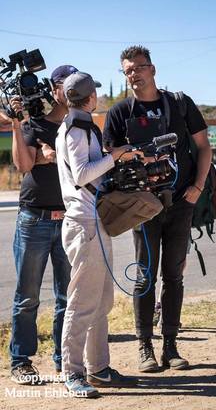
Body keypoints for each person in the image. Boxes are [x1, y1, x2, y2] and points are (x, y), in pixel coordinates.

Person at [103, 45, 212, 372]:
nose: (134, 75)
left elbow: (204, 147)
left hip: (180, 202)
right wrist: (136, 154)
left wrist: (196, 188)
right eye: (128, 71)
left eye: (138, 68)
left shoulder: (180, 104)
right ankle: (144, 349)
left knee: (174, 277)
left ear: (152, 69)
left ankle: (171, 347)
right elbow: (109, 152)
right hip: (142, 205)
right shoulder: (120, 112)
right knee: (145, 278)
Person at [56, 71, 138, 397]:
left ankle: (99, 368)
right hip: (83, 224)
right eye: (96, 95)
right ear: (90, 99)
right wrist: (115, 156)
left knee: (101, 301)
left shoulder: (84, 126)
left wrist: (117, 159)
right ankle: (73, 372)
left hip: (95, 221)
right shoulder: (77, 131)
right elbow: (81, 174)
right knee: (82, 302)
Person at [8, 65, 77, 384]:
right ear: (55, 90)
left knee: (68, 297)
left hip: (70, 221)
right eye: (68, 85)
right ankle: (21, 361)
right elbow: (23, 164)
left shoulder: (81, 127)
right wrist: (14, 124)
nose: (75, 90)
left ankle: (64, 360)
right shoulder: (34, 124)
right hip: (33, 219)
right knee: (27, 297)